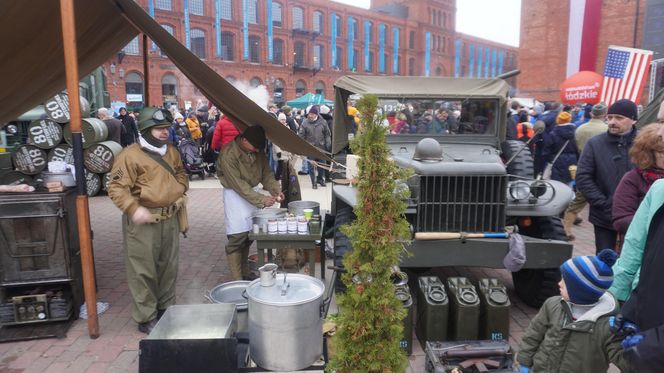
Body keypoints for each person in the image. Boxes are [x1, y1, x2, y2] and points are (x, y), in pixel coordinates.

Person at [107, 107, 189, 334]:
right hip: (143, 221)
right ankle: (146, 317)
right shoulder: (129, 156)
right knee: (143, 271)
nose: (165, 132)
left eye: (166, 128)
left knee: (168, 268)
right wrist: (133, 209)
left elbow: (181, 172)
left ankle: (165, 309)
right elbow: (116, 187)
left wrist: (180, 187)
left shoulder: (171, 151)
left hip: (170, 217)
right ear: (145, 129)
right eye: (159, 129)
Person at [517, 249, 627, 373]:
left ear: (579, 291)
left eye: (565, 281)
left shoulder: (607, 327)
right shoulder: (552, 305)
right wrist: (524, 361)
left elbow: (623, 360)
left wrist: (635, 349)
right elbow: (534, 334)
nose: (559, 283)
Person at [217, 126, 283, 280]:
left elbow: (266, 173)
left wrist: (275, 189)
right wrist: (261, 200)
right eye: (254, 147)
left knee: (248, 236)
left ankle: (245, 272)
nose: (256, 150)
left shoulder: (257, 150)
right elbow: (238, 185)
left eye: (258, 148)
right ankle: (236, 279)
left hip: (251, 193)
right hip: (235, 196)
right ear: (244, 139)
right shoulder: (229, 154)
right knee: (236, 238)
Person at [576, 99, 638, 253]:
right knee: (604, 260)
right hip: (604, 216)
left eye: (619, 118)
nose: (612, 122)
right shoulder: (595, 143)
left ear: (634, 119)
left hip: (637, 216)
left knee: (635, 261)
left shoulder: (645, 143)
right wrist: (604, 203)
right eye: (610, 117)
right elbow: (583, 177)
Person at [563, 102, 608, 240]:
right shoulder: (607, 129)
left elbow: (576, 148)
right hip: (604, 169)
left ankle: (566, 229)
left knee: (578, 199)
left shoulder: (580, 128)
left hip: (584, 167)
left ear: (590, 113)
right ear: (605, 115)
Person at [612, 123, 664, 237]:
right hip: (641, 246)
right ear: (648, 154)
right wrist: (655, 226)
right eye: (661, 152)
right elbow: (621, 220)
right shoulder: (633, 178)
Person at [298, 105, 331, 189]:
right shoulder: (305, 123)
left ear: (316, 114)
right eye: (309, 114)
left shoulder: (323, 122)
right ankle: (314, 182)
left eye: (312, 114)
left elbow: (327, 134)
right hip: (310, 148)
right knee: (311, 166)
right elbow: (301, 136)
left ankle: (320, 179)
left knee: (321, 165)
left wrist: (328, 144)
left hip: (321, 148)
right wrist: (302, 148)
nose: (310, 115)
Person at [543, 111, 578, 184]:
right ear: (569, 119)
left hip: (557, 161)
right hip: (572, 160)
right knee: (570, 181)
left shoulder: (553, 134)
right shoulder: (575, 132)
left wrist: (549, 160)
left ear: (558, 120)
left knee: (557, 184)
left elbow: (546, 151)